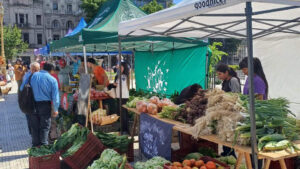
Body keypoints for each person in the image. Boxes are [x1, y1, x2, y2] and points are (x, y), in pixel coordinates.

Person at [21, 62, 59, 147]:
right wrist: (55, 109)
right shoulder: (52, 79)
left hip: (32, 104)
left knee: (34, 126)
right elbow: (55, 97)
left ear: (42, 67)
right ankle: (43, 146)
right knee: (45, 127)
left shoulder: (32, 76)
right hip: (45, 105)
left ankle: (35, 146)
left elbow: (21, 88)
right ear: (52, 70)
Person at [239, 57, 268, 169]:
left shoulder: (258, 80)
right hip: (248, 115)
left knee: (255, 149)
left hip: (257, 118)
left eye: (245, 69)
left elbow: (260, 101)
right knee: (249, 149)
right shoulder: (248, 78)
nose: (243, 71)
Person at [216, 63, 241, 158]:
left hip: (232, 112)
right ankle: (226, 153)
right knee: (224, 133)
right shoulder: (225, 81)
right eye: (218, 74)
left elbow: (236, 96)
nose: (219, 76)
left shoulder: (233, 80)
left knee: (230, 134)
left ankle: (231, 154)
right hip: (226, 111)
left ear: (226, 72)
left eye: (220, 74)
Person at [21, 62, 41, 135]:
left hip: (28, 103)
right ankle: (36, 137)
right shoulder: (40, 77)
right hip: (36, 103)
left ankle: (33, 135)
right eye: (35, 69)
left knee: (31, 120)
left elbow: (21, 88)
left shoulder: (26, 76)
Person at [114, 62, 130, 133]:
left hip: (123, 97)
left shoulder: (125, 76)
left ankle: (125, 129)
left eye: (121, 67)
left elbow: (121, 85)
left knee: (123, 114)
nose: (120, 68)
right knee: (121, 113)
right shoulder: (119, 76)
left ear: (124, 67)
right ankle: (122, 128)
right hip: (119, 96)